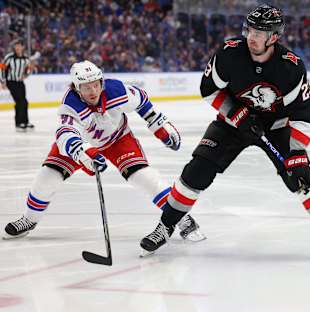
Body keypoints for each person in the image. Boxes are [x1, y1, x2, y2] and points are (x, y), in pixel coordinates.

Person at [139, 4, 310, 263]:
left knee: (301, 179)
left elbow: (305, 111)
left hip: (276, 127)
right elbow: (209, 88)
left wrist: (298, 153)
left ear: (274, 37)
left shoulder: (291, 67)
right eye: (249, 29)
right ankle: (165, 226)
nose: (251, 37)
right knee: (196, 172)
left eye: (259, 32)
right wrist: (235, 113)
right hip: (234, 123)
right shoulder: (229, 53)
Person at [3, 60, 205, 247]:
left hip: (118, 139)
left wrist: (159, 125)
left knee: (145, 179)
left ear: (101, 82)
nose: (92, 91)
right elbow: (65, 134)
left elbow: (142, 101)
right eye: (86, 86)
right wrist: (83, 154)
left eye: (96, 84)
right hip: (82, 144)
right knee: (46, 178)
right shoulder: (71, 104)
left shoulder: (116, 90)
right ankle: (29, 219)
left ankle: (182, 219)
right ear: (76, 88)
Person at [0, 40, 34, 132]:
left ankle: (25, 122)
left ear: (23, 47)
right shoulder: (9, 57)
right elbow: (2, 67)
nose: (18, 48)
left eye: (19, 46)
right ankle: (19, 123)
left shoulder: (26, 59)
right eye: (16, 46)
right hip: (11, 82)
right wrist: (2, 81)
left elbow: (30, 69)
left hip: (20, 82)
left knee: (25, 102)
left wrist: (26, 75)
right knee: (19, 101)